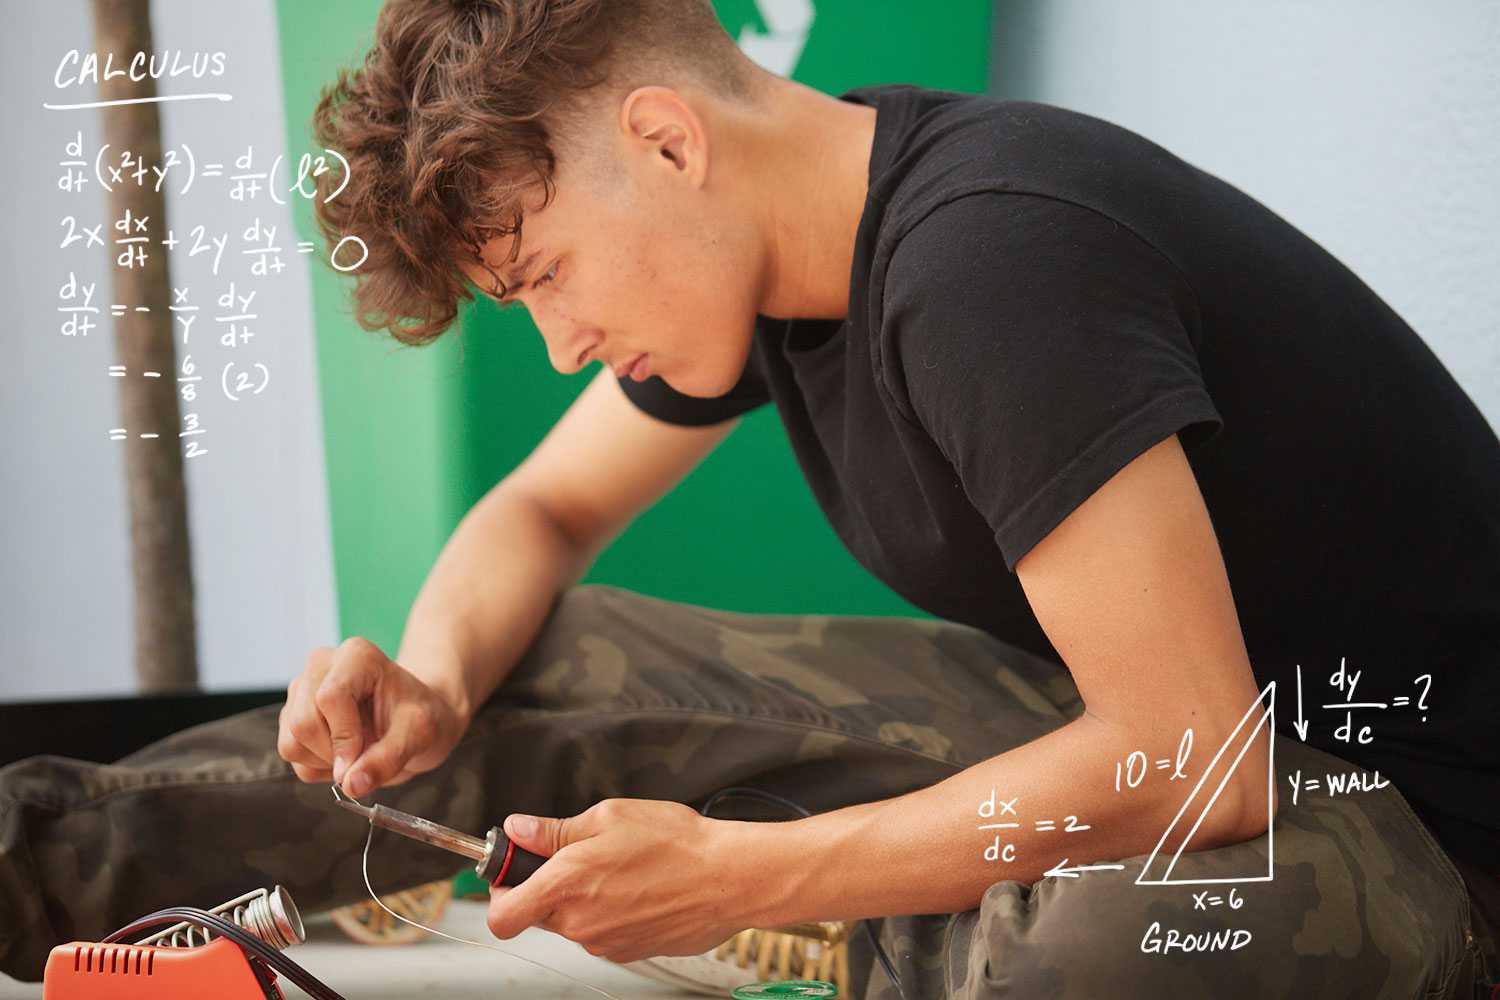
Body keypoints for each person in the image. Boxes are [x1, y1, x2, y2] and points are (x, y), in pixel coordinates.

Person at [1, 0, 1495, 996]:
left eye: (547, 279)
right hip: (1154, 724)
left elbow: (1190, 772)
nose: (565, 342)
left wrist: (740, 875)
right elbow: (540, 516)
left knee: (1104, 948)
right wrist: (438, 681)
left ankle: (849, 930)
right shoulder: (785, 249)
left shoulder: (990, 266)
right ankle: (28, 862)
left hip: (1407, 826)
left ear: (667, 141)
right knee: (545, 666)